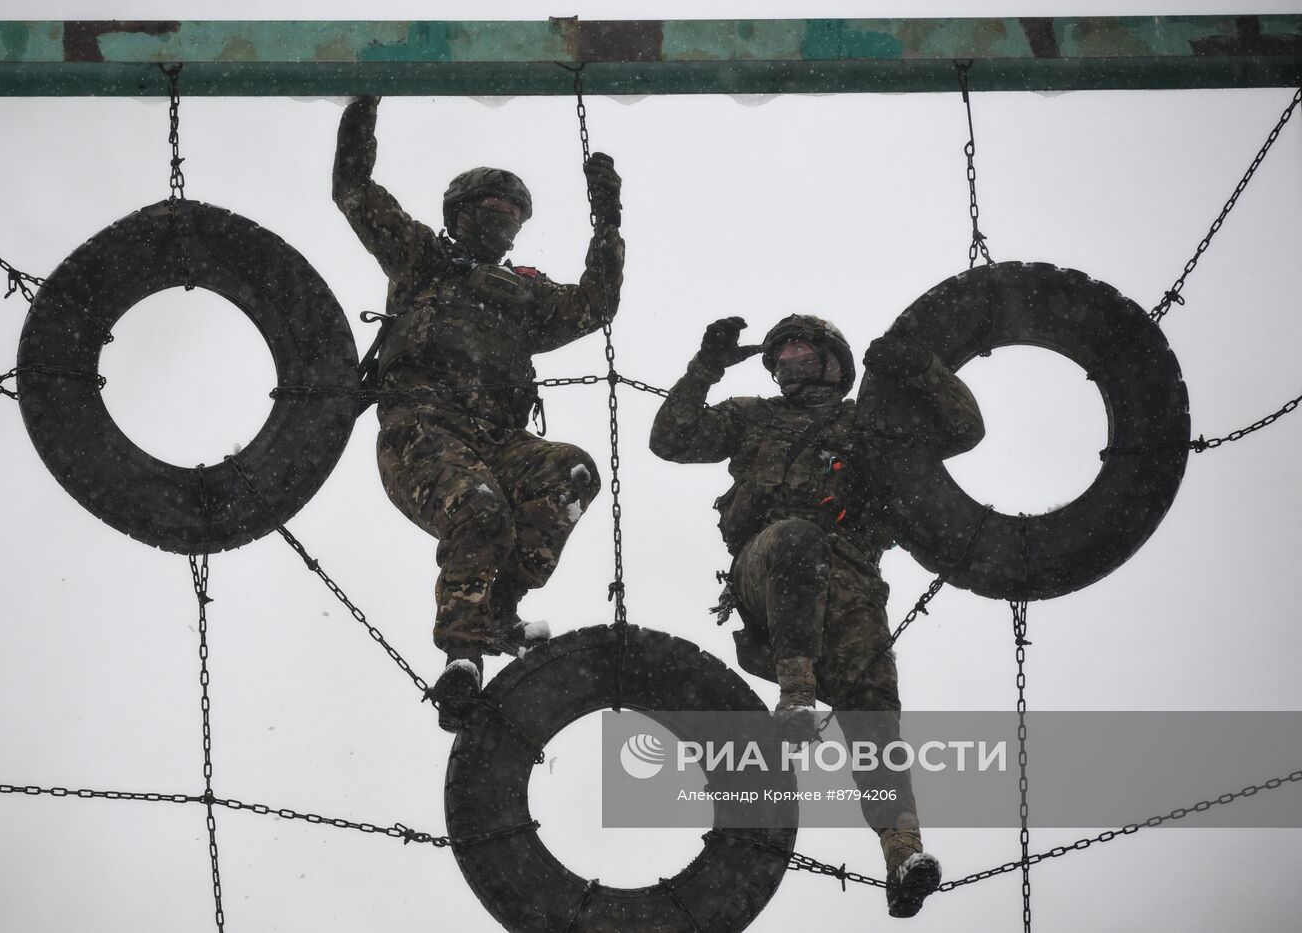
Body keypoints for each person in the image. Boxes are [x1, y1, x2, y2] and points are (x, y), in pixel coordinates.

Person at [648, 313, 983, 918]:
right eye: (779, 353)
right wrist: (705, 368)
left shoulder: (868, 426)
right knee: (798, 538)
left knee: (875, 714)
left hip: (852, 582)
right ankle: (796, 697)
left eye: (799, 346)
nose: (787, 359)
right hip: (766, 566)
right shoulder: (752, 416)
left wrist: (922, 369)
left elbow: (963, 429)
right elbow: (670, 439)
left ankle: (902, 854)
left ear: (831, 359)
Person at [333, 96, 625, 733]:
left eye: (511, 214)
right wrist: (363, 103)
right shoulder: (421, 260)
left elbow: (595, 304)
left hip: (500, 437)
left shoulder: (523, 293)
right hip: (422, 429)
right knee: (480, 507)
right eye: (488, 209)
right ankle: (464, 656)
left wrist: (607, 229)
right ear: (457, 214)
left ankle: (499, 608)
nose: (500, 220)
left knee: (570, 473)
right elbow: (353, 188)